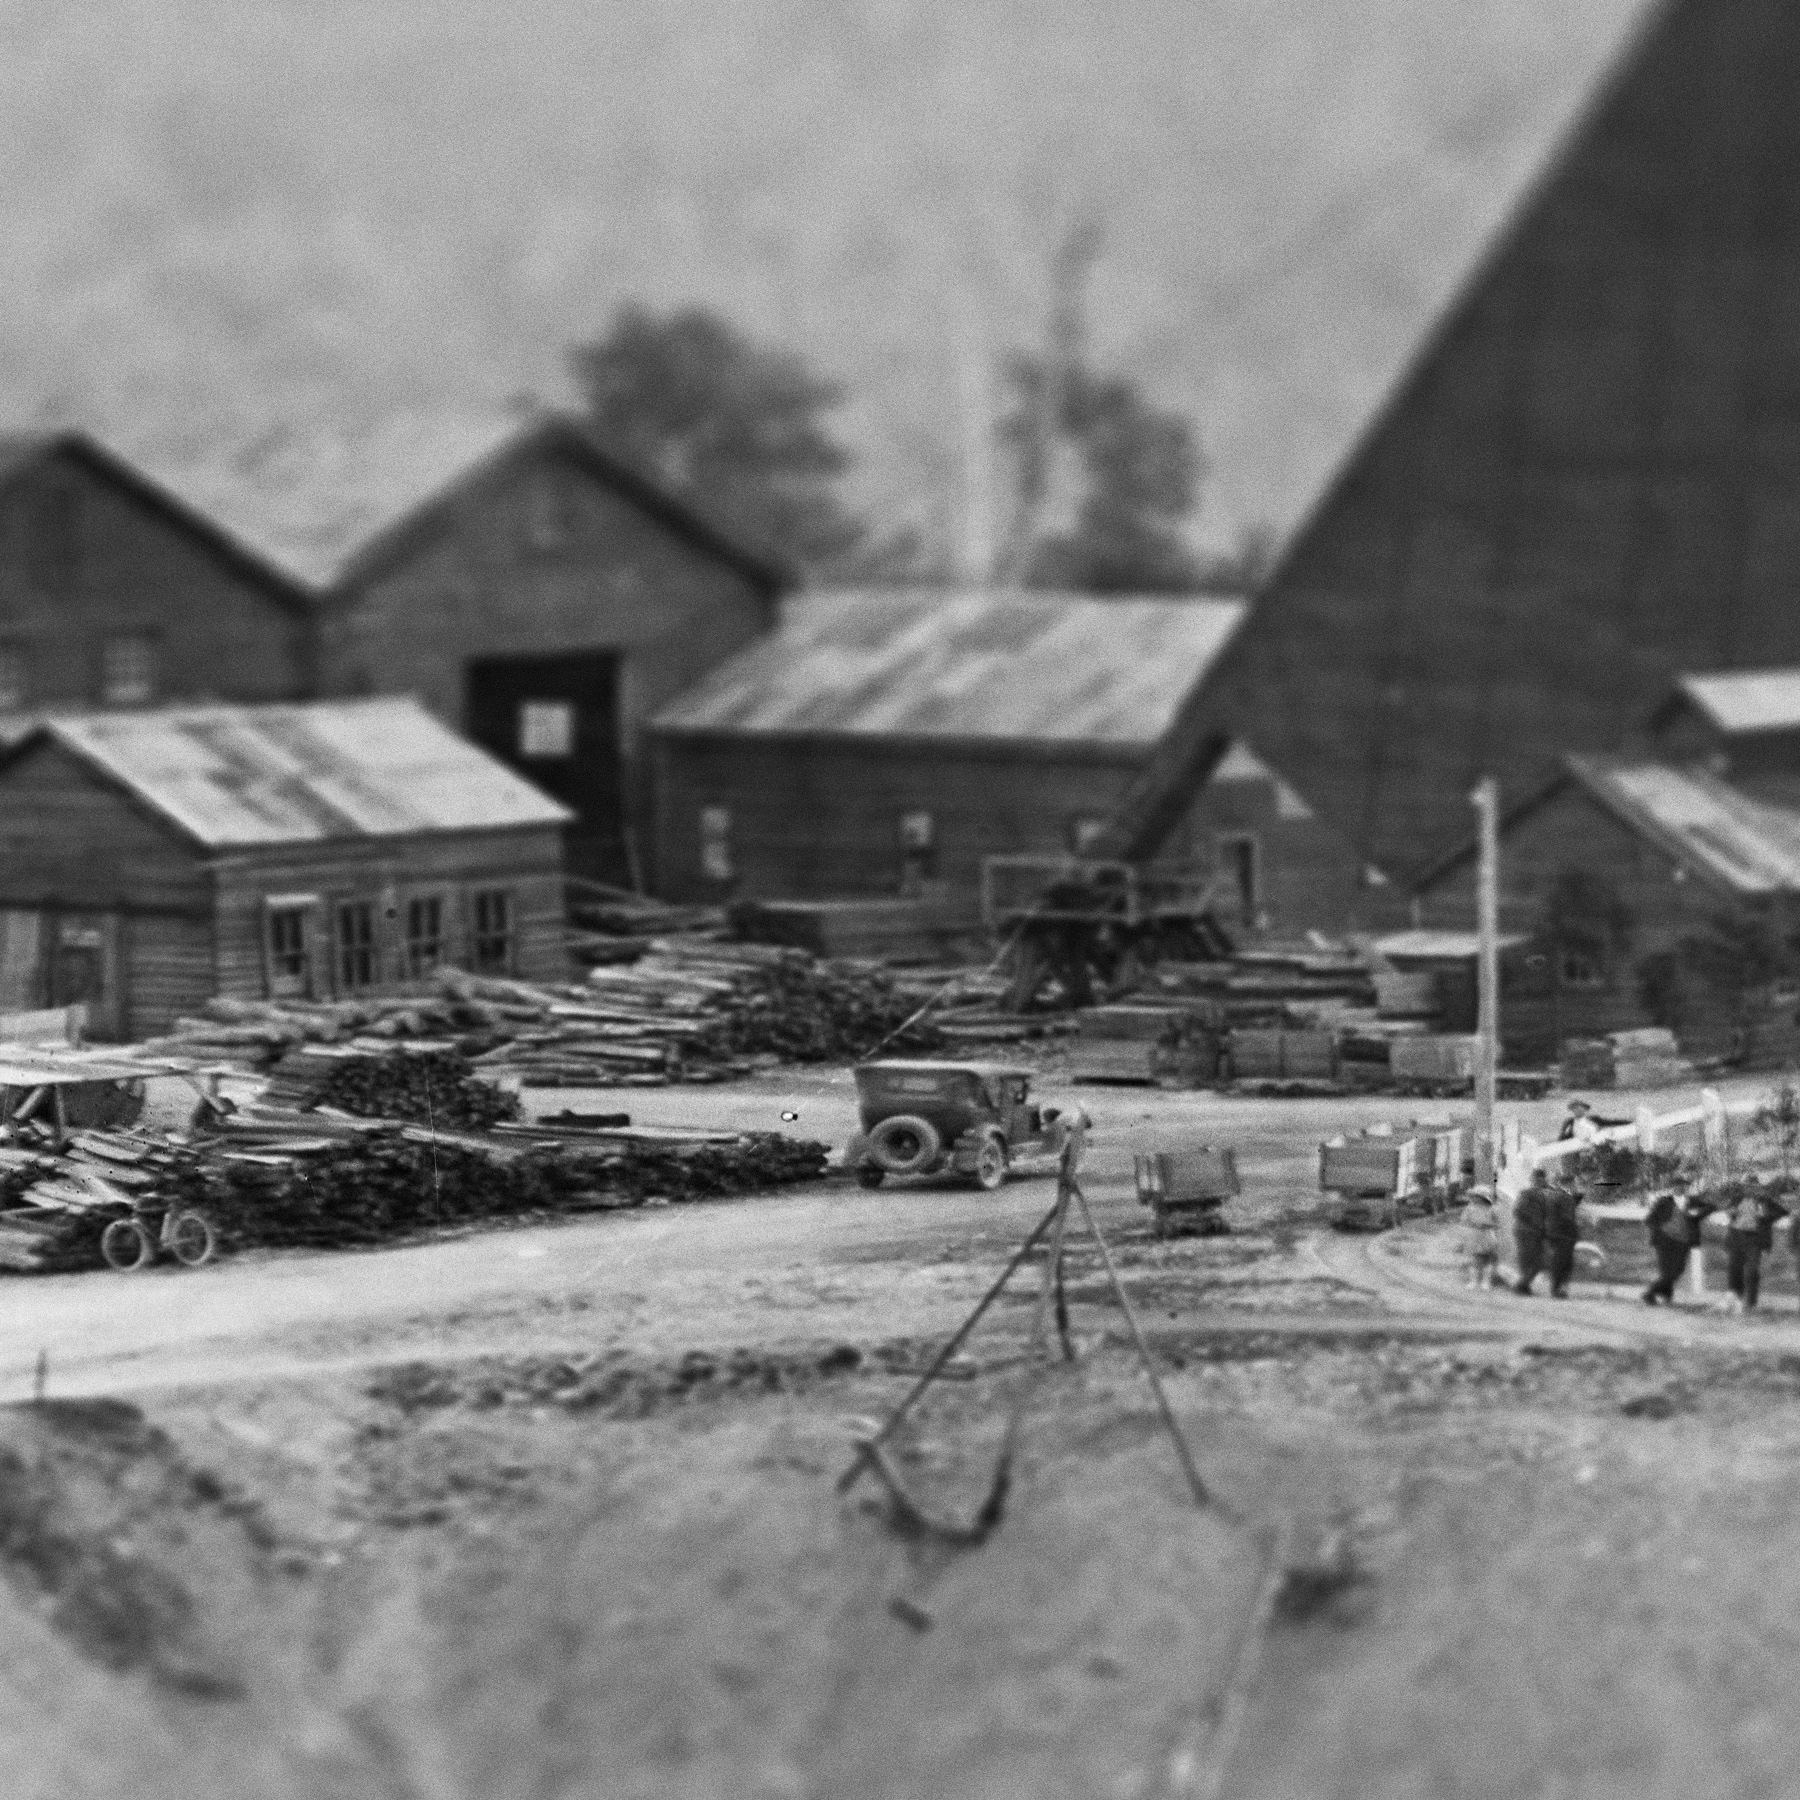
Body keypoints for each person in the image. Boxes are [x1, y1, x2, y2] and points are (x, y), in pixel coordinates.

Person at [1725, 1178, 1790, 1315]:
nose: (1751, 1189)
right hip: (1736, 1237)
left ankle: (1751, 1303)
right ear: (1744, 1188)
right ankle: (1736, 1301)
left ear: (1758, 1188)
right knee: (1734, 1269)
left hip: (1754, 1240)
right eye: (1748, 1186)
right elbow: (1728, 1210)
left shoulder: (1765, 1201)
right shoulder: (1737, 1199)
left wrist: (1766, 1216)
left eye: (1754, 1187)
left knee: (1752, 1271)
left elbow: (1784, 1212)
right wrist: (1731, 1213)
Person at [1642, 1174, 1705, 1305]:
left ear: (1686, 1187)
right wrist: (1662, 1229)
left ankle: (1654, 1293)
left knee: (1678, 1270)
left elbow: (1710, 1207)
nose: (1680, 1188)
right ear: (1672, 1187)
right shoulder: (1664, 1201)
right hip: (1664, 1241)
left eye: (1683, 1185)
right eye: (1677, 1185)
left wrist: (1698, 1214)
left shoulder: (1693, 1201)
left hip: (1683, 1241)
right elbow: (1649, 1220)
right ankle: (1657, 1295)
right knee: (1666, 1271)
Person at [1543, 1176, 1587, 1298]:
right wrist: (1576, 1229)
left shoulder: (1554, 1195)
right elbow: (1567, 1215)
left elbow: (1569, 1205)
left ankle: (1556, 1288)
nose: (1575, 1186)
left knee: (1558, 1261)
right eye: (1574, 1184)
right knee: (1563, 1262)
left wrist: (1578, 1196)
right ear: (1569, 1184)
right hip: (1565, 1234)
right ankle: (1558, 1290)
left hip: (1554, 1232)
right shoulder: (1565, 1197)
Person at [1512, 1167, 1551, 1295]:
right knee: (1533, 1260)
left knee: (1537, 1260)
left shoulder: (1547, 1193)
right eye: (1537, 1179)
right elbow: (1518, 1211)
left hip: (1536, 1231)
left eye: (1542, 1179)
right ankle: (1522, 1285)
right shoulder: (1527, 1194)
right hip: (1526, 1231)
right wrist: (1535, 1222)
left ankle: (1523, 1284)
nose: (1540, 1182)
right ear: (1533, 1180)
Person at [1459, 1184, 1502, 1289]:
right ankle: (1473, 1281)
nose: (1474, 1198)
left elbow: (1497, 1223)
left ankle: (1486, 1282)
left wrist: (1488, 1225)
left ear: (1483, 1198)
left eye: (1477, 1196)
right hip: (1474, 1234)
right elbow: (1464, 1221)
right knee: (1474, 1259)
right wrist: (1472, 1225)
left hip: (1487, 1234)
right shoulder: (1469, 1209)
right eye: (1474, 1196)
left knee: (1487, 1259)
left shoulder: (1491, 1209)